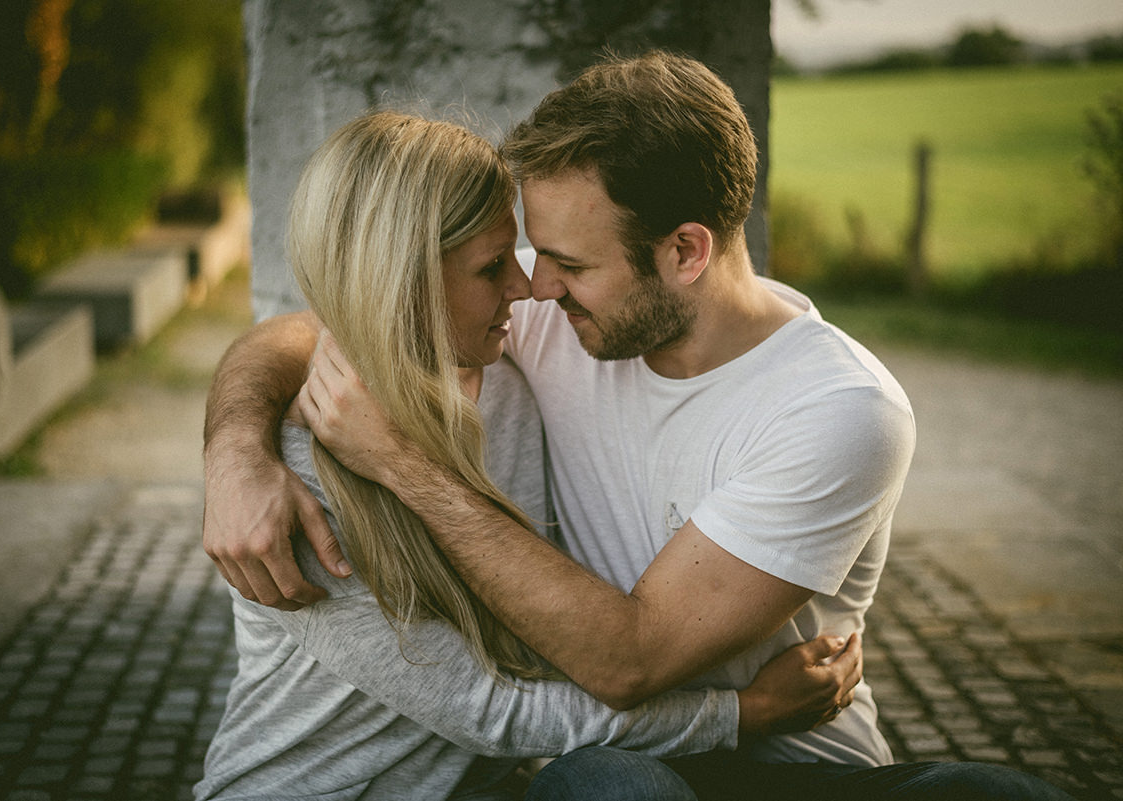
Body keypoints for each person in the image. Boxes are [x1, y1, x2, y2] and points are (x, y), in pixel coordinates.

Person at [204, 54, 1074, 800]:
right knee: (605, 784)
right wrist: (235, 449)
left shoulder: (840, 408)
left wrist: (398, 462)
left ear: (685, 252)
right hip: (618, 759)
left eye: (568, 264)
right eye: (521, 260)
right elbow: (327, 330)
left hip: (794, 760)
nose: (534, 288)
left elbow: (630, 657)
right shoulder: (543, 328)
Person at [196, 109, 864, 801]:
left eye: (532, 257)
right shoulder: (302, 467)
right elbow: (494, 711)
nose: (527, 287)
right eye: (494, 266)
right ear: (404, 282)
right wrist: (740, 713)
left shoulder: (513, 389)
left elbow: (554, 655)